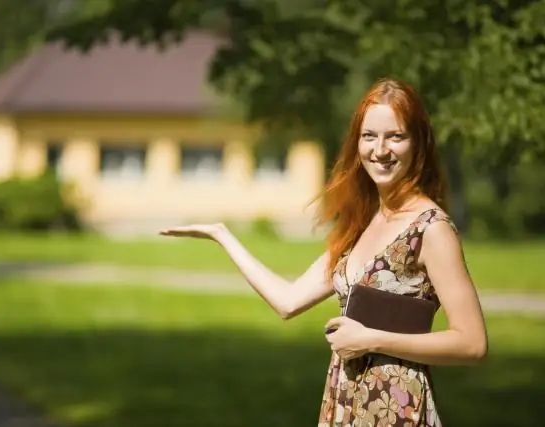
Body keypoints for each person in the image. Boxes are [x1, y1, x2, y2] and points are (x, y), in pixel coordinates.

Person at [158, 78, 488, 427]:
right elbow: (287, 301)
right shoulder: (360, 225)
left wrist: (370, 339)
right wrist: (222, 235)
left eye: (396, 136)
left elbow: (472, 343)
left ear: (418, 143)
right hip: (344, 404)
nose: (380, 149)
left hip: (397, 408)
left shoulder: (431, 228)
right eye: (369, 136)